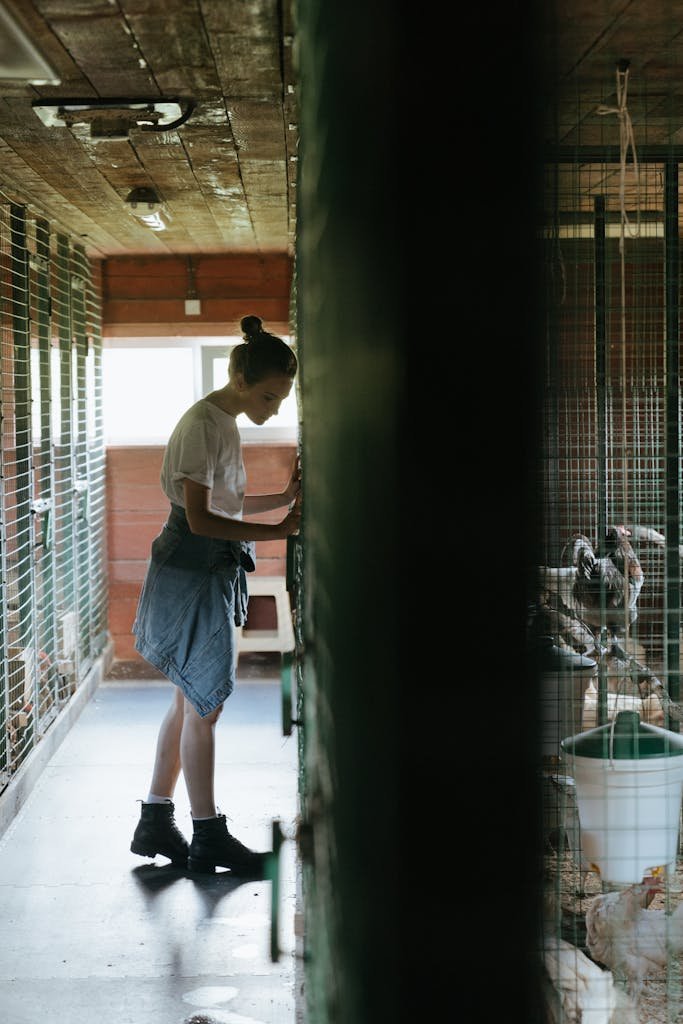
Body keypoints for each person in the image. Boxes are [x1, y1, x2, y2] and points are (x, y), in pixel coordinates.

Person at [129, 314, 301, 875]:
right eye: (271, 396)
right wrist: (280, 531)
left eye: (281, 399)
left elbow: (222, 506)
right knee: (205, 702)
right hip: (191, 567)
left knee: (188, 698)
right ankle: (207, 836)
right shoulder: (204, 423)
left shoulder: (224, 421)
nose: (274, 408)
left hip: (203, 567)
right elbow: (202, 521)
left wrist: (279, 498)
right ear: (242, 380)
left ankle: (156, 819)